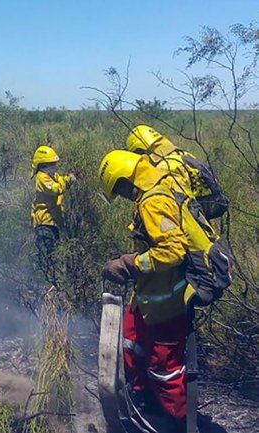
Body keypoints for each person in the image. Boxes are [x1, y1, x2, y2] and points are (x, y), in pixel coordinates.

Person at [98, 149, 194, 429]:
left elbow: (174, 250)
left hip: (165, 304)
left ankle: (177, 423)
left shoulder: (153, 201)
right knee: (132, 345)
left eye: (120, 188)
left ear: (127, 178)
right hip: (147, 299)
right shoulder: (151, 194)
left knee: (166, 370)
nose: (124, 194)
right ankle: (143, 408)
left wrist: (130, 264)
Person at [127, 125, 228, 219]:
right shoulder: (183, 155)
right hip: (209, 205)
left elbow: (179, 204)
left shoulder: (164, 167)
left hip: (193, 215)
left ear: (141, 150)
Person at [30, 145, 74, 279]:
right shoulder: (42, 178)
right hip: (44, 223)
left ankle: (55, 278)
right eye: (51, 164)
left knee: (54, 254)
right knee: (48, 256)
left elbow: (61, 180)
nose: (54, 166)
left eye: (54, 163)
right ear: (42, 165)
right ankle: (45, 281)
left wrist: (70, 178)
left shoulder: (53, 175)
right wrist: (68, 182)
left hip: (53, 223)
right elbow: (55, 189)